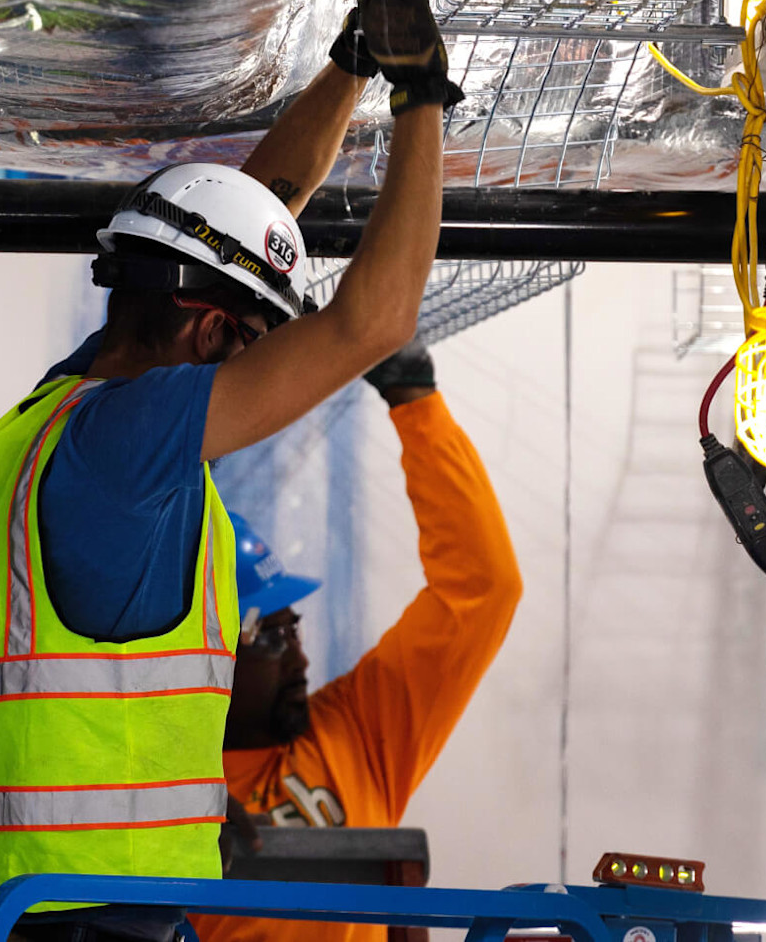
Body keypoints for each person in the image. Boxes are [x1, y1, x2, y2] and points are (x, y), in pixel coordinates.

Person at [0, 0, 464, 942]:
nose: (256, 377)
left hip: (52, 911)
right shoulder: (126, 444)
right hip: (110, 923)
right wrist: (422, 97)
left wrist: (354, 62)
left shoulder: (50, 420)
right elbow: (373, 320)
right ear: (211, 326)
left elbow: (248, 210)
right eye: (251, 346)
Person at [191, 345, 524, 942]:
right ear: (207, 659)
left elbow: (483, 587)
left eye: (295, 631)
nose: (302, 659)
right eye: (272, 636)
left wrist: (414, 402)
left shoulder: (355, 731)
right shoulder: (157, 799)